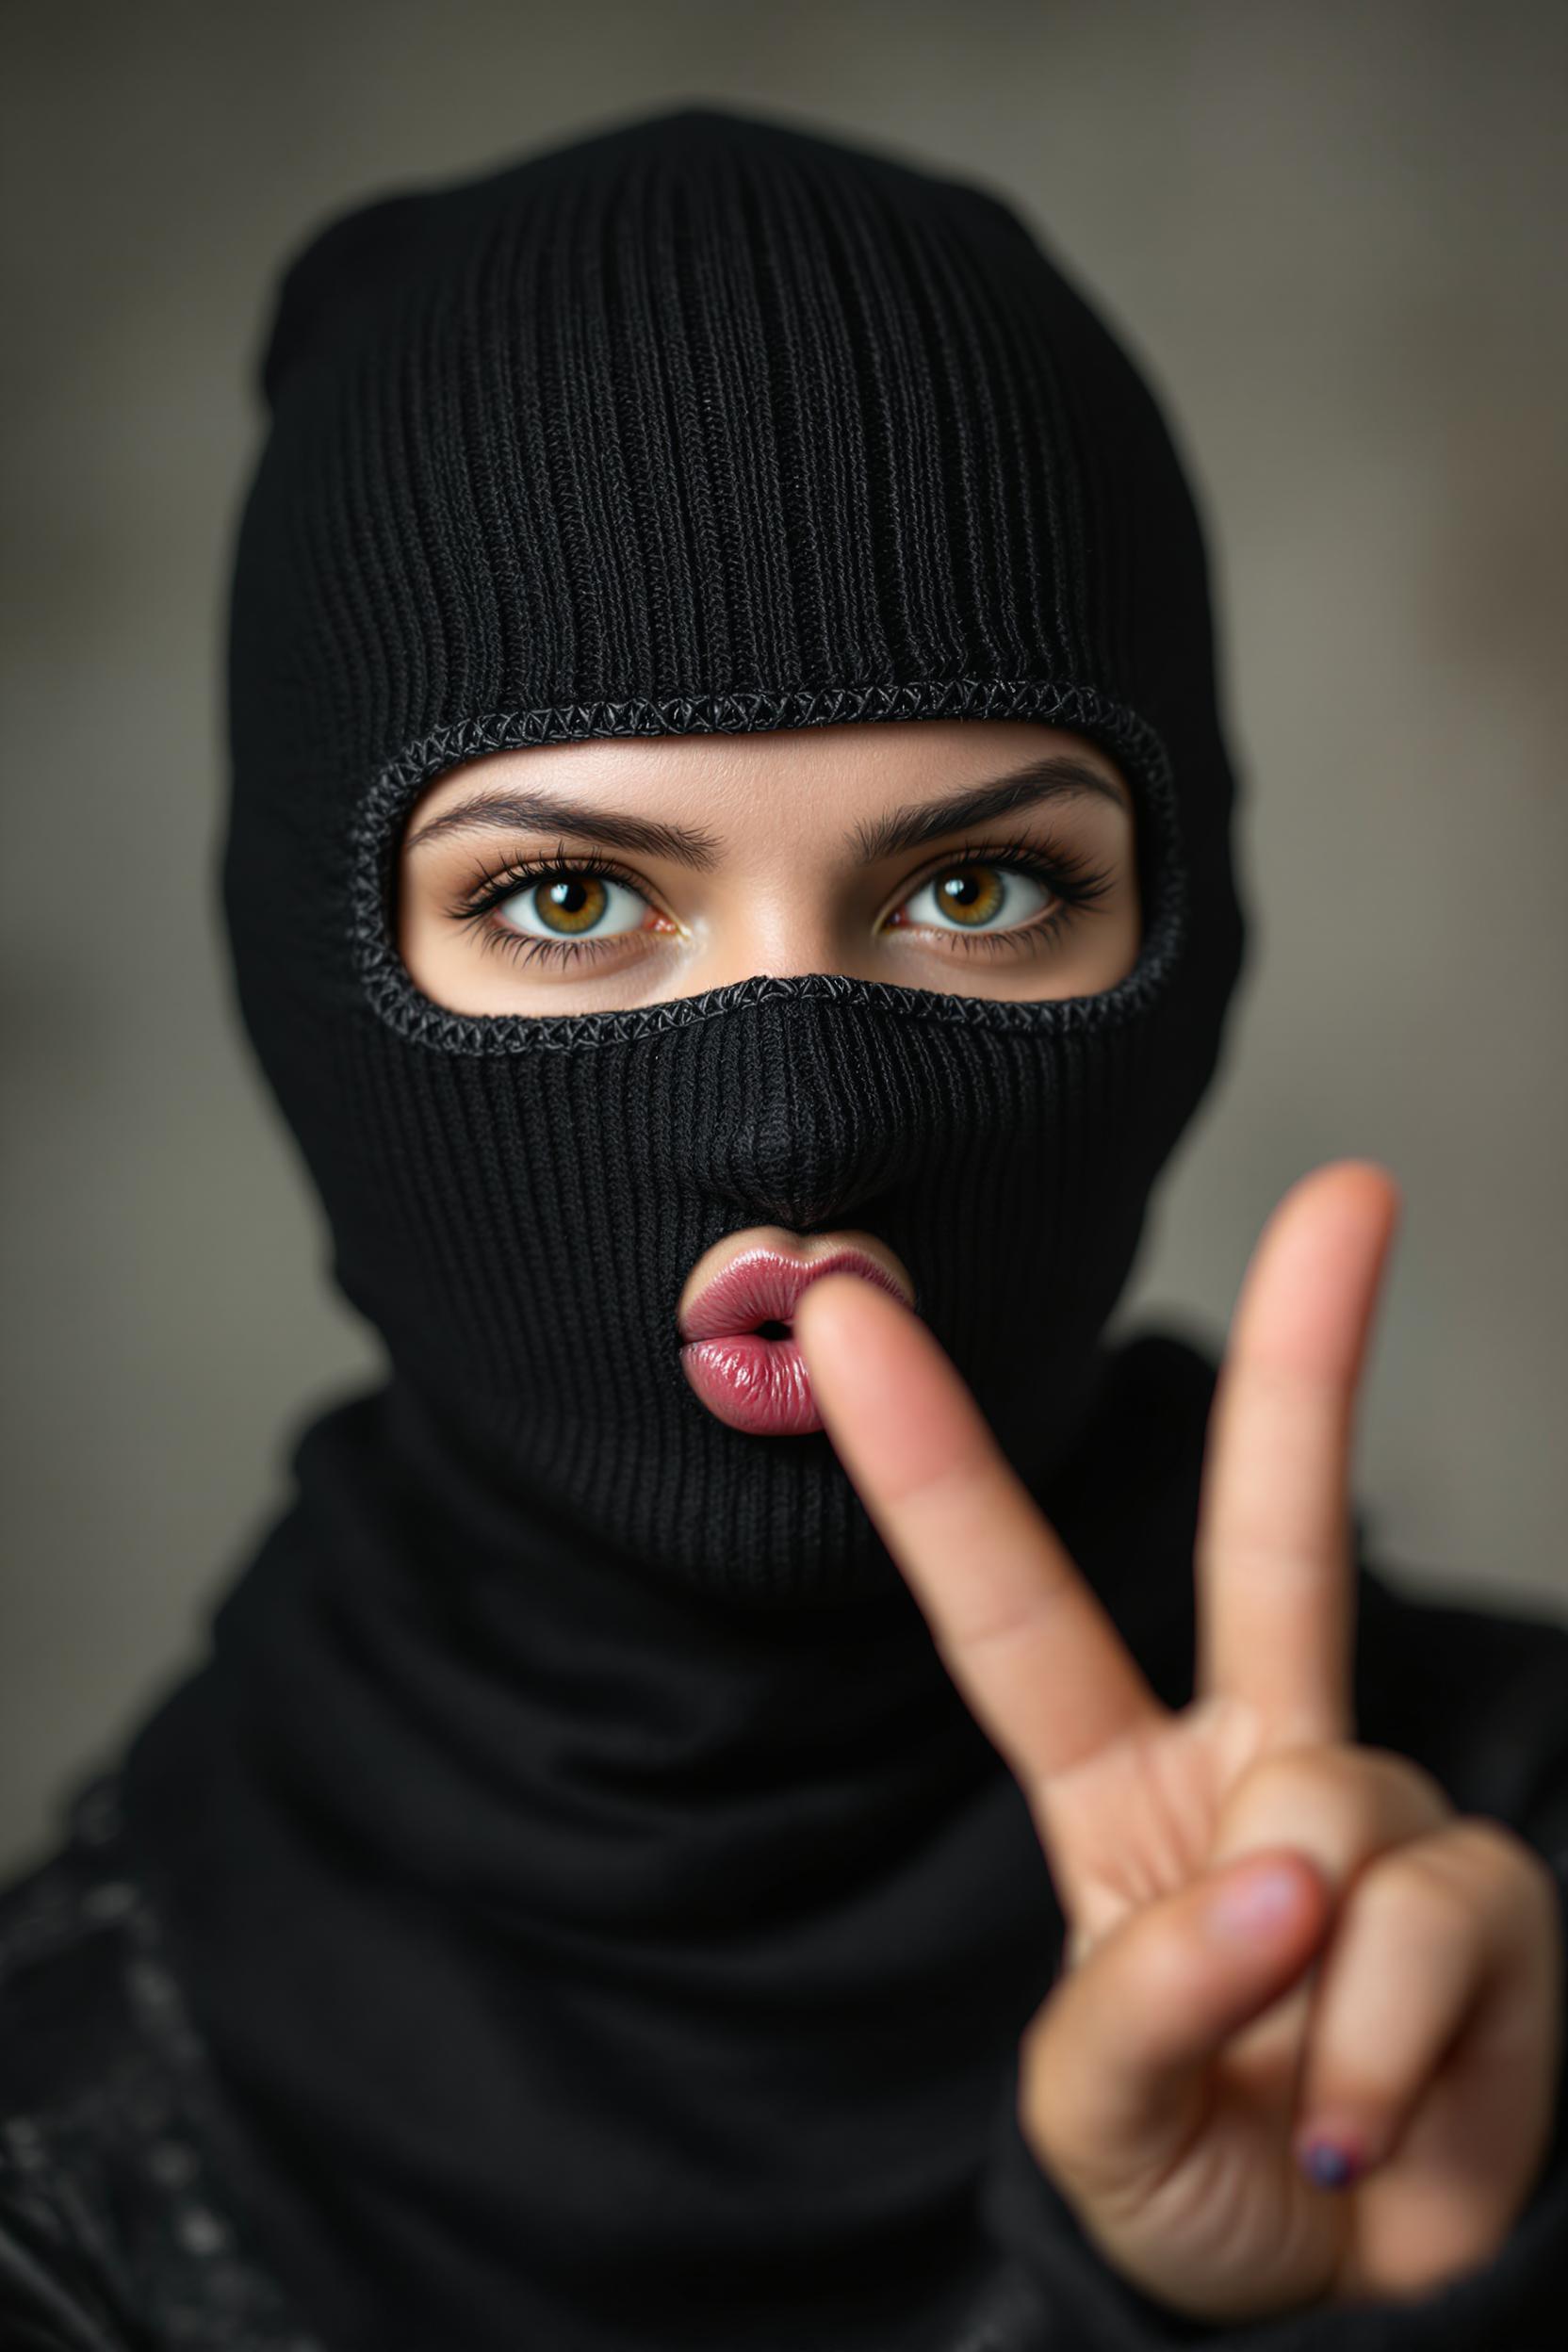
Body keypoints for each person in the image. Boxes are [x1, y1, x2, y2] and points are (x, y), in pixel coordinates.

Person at [1, 99, 1564, 2352]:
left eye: (976, 887)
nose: (796, 1111)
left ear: (1186, 928)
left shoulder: (1505, 1940)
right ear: (302, 975)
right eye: (565, 897)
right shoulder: (61, 2168)